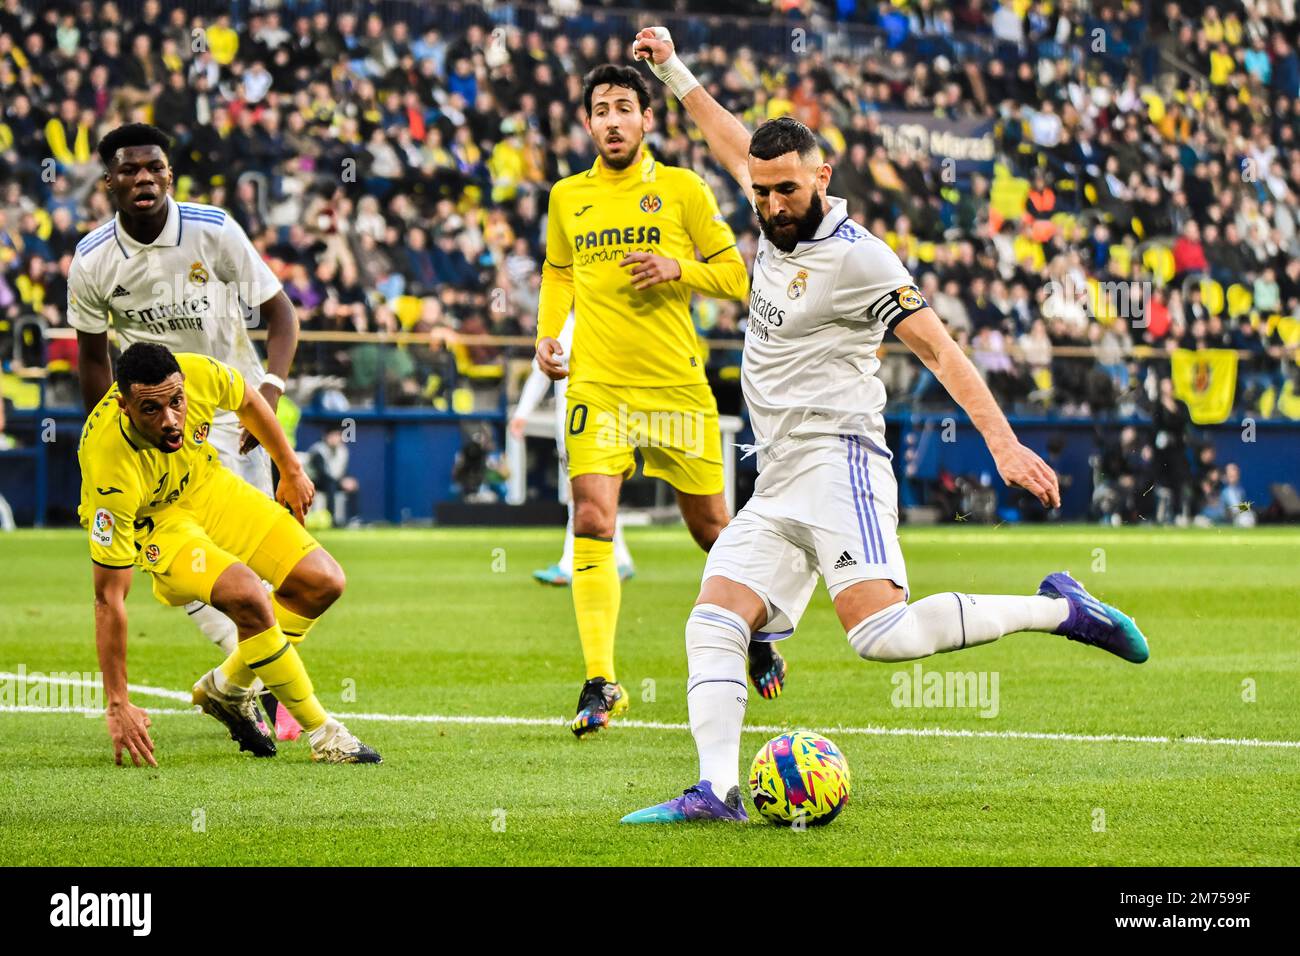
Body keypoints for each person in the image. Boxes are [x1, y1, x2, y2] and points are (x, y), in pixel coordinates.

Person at [622, 28, 1149, 824]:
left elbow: (939, 348)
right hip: (777, 473)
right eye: (760, 192)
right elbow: (724, 129)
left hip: (842, 462)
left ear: (822, 178)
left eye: (785, 192)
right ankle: (717, 793)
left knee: (882, 637)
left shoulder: (861, 259)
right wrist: (669, 69)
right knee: (715, 616)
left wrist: (1002, 442)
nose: (769, 207)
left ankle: (1063, 608)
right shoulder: (768, 201)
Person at [533, 63, 787, 737]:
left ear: (647, 119)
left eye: (624, 108)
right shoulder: (567, 196)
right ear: (587, 123)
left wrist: (679, 268)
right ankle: (600, 682)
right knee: (591, 519)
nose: (612, 119)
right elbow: (559, 272)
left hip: (676, 387)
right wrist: (547, 335)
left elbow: (738, 274)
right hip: (599, 386)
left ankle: (756, 633)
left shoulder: (682, 189)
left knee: (711, 531)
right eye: (600, 109)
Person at [67, 123, 305, 741]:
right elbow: (93, 360)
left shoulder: (214, 230)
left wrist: (272, 392)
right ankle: (260, 692)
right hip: (153, 425)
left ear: (169, 176)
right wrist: (113, 437)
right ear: (109, 183)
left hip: (232, 413)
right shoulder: (92, 260)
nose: (143, 179)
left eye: (155, 169)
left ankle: (234, 687)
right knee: (201, 562)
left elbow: (280, 312)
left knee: (275, 572)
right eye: (129, 170)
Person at [80, 343, 380, 766]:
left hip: (208, 488)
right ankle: (325, 733)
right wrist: (117, 703)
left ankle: (226, 688)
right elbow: (108, 597)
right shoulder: (108, 466)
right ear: (125, 407)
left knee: (322, 581)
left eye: (176, 402)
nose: (170, 420)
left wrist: (290, 468)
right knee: (248, 594)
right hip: (160, 526)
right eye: (151, 410)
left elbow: (249, 401)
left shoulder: (198, 373)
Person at [509, 312, 635, 585]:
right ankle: (622, 558)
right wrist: (522, 413)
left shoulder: (610, 318)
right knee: (597, 491)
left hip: (602, 421)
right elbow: (540, 373)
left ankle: (569, 563)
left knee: (582, 491)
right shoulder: (562, 325)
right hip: (568, 424)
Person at [306, 425, 359, 527]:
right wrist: (340, 482)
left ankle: (354, 519)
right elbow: (322, 474)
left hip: (333, 481)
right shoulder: (318, 450)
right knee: (330, 485)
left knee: (353, 485)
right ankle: (332, 519)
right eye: (333, 436)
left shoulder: (343, 450)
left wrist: (346, 481)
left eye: (338, 435)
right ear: (326, 437)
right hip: (314, 481)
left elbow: (342, 471)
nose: (335, 438)